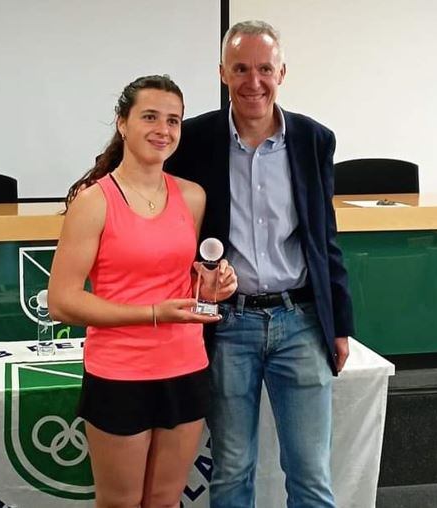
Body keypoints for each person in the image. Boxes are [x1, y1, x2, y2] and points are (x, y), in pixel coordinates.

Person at [165, 21, 355, 508]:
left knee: (310, 472)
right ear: (223, 73)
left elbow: (324, 238)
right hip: (228, 325)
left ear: (282, 72)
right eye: (241, 68)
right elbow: (170, 228)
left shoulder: (314, 139)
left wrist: (339, 324)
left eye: (265, 68)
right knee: (232, 469)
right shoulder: (192, 140)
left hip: (300, 322)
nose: (254, 81)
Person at [48, 75, 237, 508]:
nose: (163, 130)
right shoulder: (94, 201)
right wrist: (153, 313)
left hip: (185, 366)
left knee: (166, 500)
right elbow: (62, 301)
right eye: (149, 116)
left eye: (174, 120)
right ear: (122, 123)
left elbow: (184, 280)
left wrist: (215, 284)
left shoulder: (192, 197)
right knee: (121, 503)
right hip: (120, 373)